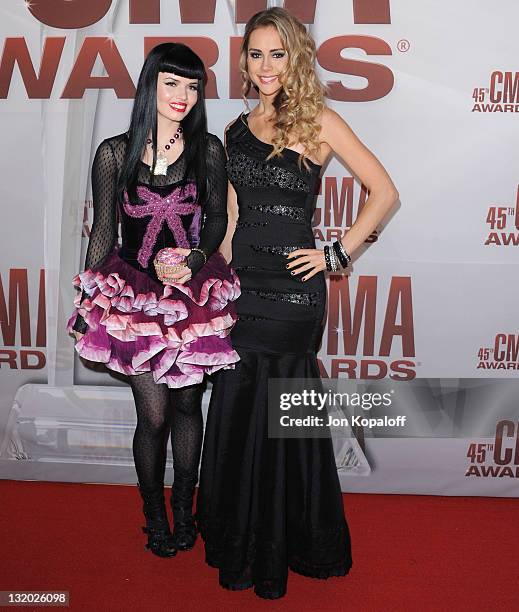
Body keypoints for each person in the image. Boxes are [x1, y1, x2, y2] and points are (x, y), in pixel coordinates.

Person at [196, 7, 399, 599]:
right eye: (255, 55)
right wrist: (214, 284)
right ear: (245, 61)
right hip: (242, 290)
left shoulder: (318, 121)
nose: (265, 67)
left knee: (284, 413)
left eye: (276, 54)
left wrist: (336, 256)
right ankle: (243, 539)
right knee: (239, 408)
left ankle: (289, 543)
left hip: (292, 296)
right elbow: (232, 219)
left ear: (296, 58)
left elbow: (384, 191)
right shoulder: (235, 130)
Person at [68, 43, 240, 558]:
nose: (183, 95)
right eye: (172, 83)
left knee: (189, 404)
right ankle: (152, 515)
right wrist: (86, 302)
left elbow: (215, 219)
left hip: (192, 295)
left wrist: (196, 258)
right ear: (150, 86)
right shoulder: (114, 153)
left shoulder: (208, 149)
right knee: (155, 415)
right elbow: (103, 231)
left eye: (192, 86)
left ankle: (185, 509)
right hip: (135, 294)